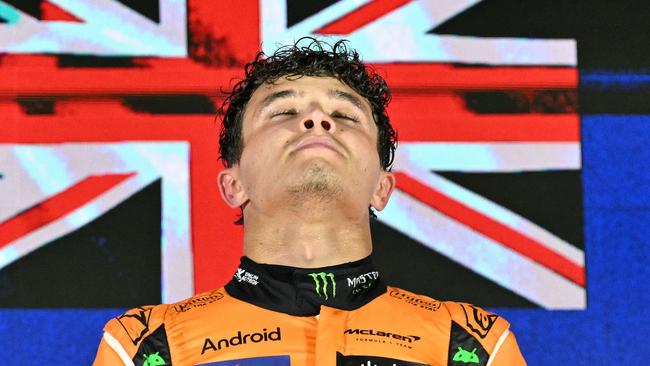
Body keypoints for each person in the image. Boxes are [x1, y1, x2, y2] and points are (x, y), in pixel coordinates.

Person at [93, 38, 527, 366]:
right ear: (233, 184)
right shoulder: (147, 347)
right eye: (282, 112)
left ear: (382, 187)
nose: (317, 120)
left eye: (344, 116)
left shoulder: (471, 345)